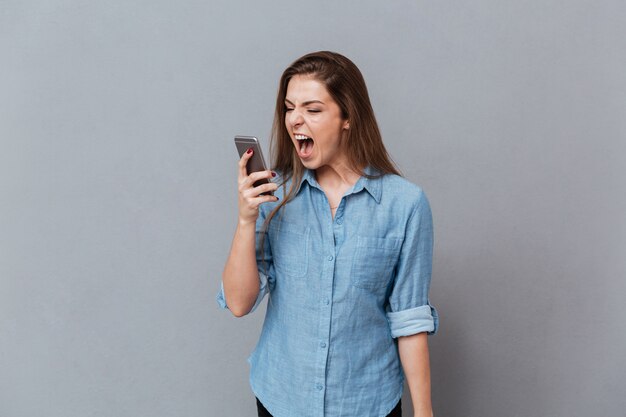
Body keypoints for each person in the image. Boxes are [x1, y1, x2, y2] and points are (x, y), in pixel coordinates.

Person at [218, 51, 438, 417]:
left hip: (368, 403)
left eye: (313, 109)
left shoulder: (405, 204)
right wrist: (245, 221)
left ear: (348, 117)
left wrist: (424, 413)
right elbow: (239, 304)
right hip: (281, 397)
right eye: (289, 108)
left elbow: (410, 319)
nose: (295, 120)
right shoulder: (275, 197)